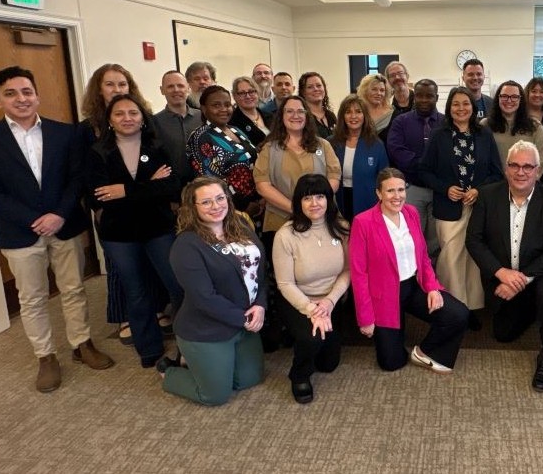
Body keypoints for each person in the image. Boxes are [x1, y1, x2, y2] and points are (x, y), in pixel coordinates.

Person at [0, 66, 114, 393]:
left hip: (66, 226)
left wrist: (58, 214)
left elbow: (77, 177)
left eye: (26, 92)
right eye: (11, 93)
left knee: (74, 288)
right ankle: (45, 356)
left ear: (37, 95)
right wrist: (34, 219)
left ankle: (81, 343)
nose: (21, 99)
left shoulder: (66, 133)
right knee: (32, 298)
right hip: (19, 232)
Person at [85, 94, 184, 368]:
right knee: (136, 290)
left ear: (142, 118)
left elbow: (172, 186)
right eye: (119, 114)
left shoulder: (157, 146)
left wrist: (124, 190)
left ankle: (190, 339)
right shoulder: (98, 152)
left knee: (176, 284)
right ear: (110, 120)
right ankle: (149, 348)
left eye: (133, 113)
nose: (127, 118)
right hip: (119, 234)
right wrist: (149, 185)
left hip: (158, 227)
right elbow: (98, 197)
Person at [466, 141, 543, 392]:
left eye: (527, 167)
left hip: (539, 275)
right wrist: (501, 274)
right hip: (502, 276)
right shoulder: (488, 196)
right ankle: (531, 308)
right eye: (515, 166)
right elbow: (474, 240)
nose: (521, 172)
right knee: (503, 334)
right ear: (506, 168)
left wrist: (519, 280)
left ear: (538, 170)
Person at [350, 168, 469, 372]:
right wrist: (366, 318)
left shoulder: (411, 213)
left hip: (414, 286)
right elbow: (358, 274)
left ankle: (424, 351)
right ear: (378, 193)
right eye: (390, 191)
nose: (397, 196)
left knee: (458, 314)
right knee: (391, 363)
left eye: (401, 189)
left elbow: (422, 256)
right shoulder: (363, 222)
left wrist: (432, 287)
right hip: (384, 295)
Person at [163, 177, 267, 406]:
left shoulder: (241, 227)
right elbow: (204, 298)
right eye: (206, 202)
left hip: (244, 323)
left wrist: (260, 304)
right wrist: (244, 318)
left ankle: (202, 365)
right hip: (206, 328)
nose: (216, 206)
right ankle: (169, 372)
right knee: (216, 395)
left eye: (220, 198)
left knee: (250, 379)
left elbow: (258, 274)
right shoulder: (186, 245)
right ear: (193, 207)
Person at [78, 63, 156, 346]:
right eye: (110, 84)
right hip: (110, 213)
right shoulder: (87, 129)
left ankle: (153, 313)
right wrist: (97, 209)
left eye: (122, 84)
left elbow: (158, 175)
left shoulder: (145, 121)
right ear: (99, 89)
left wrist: (130, 189)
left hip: (148, 211)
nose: (117, 89)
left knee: (148, 264)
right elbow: (84, 175)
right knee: (121, 270)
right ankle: (124, 316)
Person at [419, 87, 503, 320]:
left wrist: (478, 190)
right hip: (448, 207)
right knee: (451, 257)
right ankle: (453, 307)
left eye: (465, 103)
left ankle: (473, 306)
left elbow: (497, 173)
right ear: (449, 108)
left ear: (473, 107)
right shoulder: (439, 135)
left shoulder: (484, 135)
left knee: (473, 257)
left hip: (477, 206)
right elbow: (424, 171)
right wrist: (445, 188)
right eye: (456, 104)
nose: (461, 108)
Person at [273, 175, 350, 403]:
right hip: (297, 299)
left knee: (328, 364)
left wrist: (328, 302)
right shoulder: (286, 235)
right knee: (312, 339)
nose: (314, 203)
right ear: (299, 202)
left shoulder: (342, 227)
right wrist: (311, 309)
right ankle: (299, 375)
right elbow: (285, 283)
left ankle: (310, 340)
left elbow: (348, 271)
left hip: (331, 300)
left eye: (320, 196)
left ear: (329, 199)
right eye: (307, 198)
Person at [253, 95, 341, 250]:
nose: (296, 116)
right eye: (290, 111)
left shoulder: (323, 145)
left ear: (307, 116)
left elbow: (334, 177)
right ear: (281, 116)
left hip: (321, 219)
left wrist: (315, 206)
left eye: (301, 111)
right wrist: (296, 209)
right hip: (280, 221)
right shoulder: (269, 148)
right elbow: (262, 186)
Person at [386, 79, 443, 258]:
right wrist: (426, 166)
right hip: (412, 188)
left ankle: (433, 278)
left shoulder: (446, 122)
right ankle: (415, 277)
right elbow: (396, 150)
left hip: (438, 191)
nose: (424, 100)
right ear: (413, 96)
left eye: (429, 96)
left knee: (436, 241)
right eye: (419, 95)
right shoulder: (401, 122)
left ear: (437, 97)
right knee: (411, 236)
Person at [186, 85, 260, 214]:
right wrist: (243, 205)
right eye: (216, 105)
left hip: (258, 202)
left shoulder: (236, 130)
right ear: (204, 109)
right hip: (229, 209)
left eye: (227, 104)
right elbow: (210, 180)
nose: (223, 109)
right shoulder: (200, 137)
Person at [329, 94, 388, 221]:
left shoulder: (376, 144)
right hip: (338, 201)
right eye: (348, 112)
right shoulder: (332, 143)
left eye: (358, 112)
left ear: (365, 116)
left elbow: (384, 177)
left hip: (367, 201)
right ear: (342, 116)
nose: (353, 116)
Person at [481, 80, 543, 179]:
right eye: (504, 96)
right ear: (498, 99)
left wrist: (525, 184)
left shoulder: (535, 127)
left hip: (524, 185)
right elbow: (480, 160)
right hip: (492, 186)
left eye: (514, 97)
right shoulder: (485, 125)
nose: (509, 100)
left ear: (521, 100)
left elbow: (540, 162)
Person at [154, 70, 202, 182]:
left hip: (204, 185)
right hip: (172, 189)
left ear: (188, 88)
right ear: (162, 90)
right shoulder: (154, 122)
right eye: (170, 86)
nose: (176, 90)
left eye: (180, 86)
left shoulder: (203, 117)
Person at [229, 76, 270, 148]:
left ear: (257, 93)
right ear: (234, 96)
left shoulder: (270, 115)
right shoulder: (232, 122)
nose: (248, 96)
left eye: (251, 91)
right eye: (242, 93)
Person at [356, 73, 393, 141]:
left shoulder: (393, 114)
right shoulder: (357, 112)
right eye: (374, 89)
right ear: (365, 90)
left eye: (382, 90)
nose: (379, 93)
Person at [298, 71, 336, 139]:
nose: (316, 89)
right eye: (310, 87)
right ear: (303, 92)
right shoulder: (301, 117)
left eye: (319, 85)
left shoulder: (331, 115)